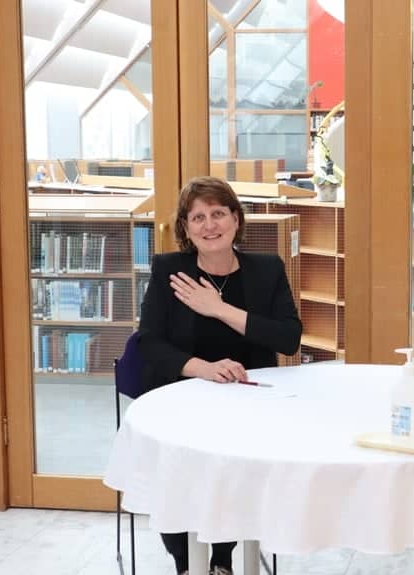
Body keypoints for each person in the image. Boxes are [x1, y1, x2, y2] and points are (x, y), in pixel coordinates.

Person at [138, 176, 303, 575]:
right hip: (182, 395)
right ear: (185, 227)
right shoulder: (169, 270)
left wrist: (218, 309)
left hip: (248, 401)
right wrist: (205, 370)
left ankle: (222, 559)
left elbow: (289, 339)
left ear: (236, 219)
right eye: (198, 217)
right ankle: (185, 563)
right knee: (178, 479)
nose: (209, 225)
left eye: (218, 214)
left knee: (233, 476)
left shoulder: (266, 269)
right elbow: (148, 344)